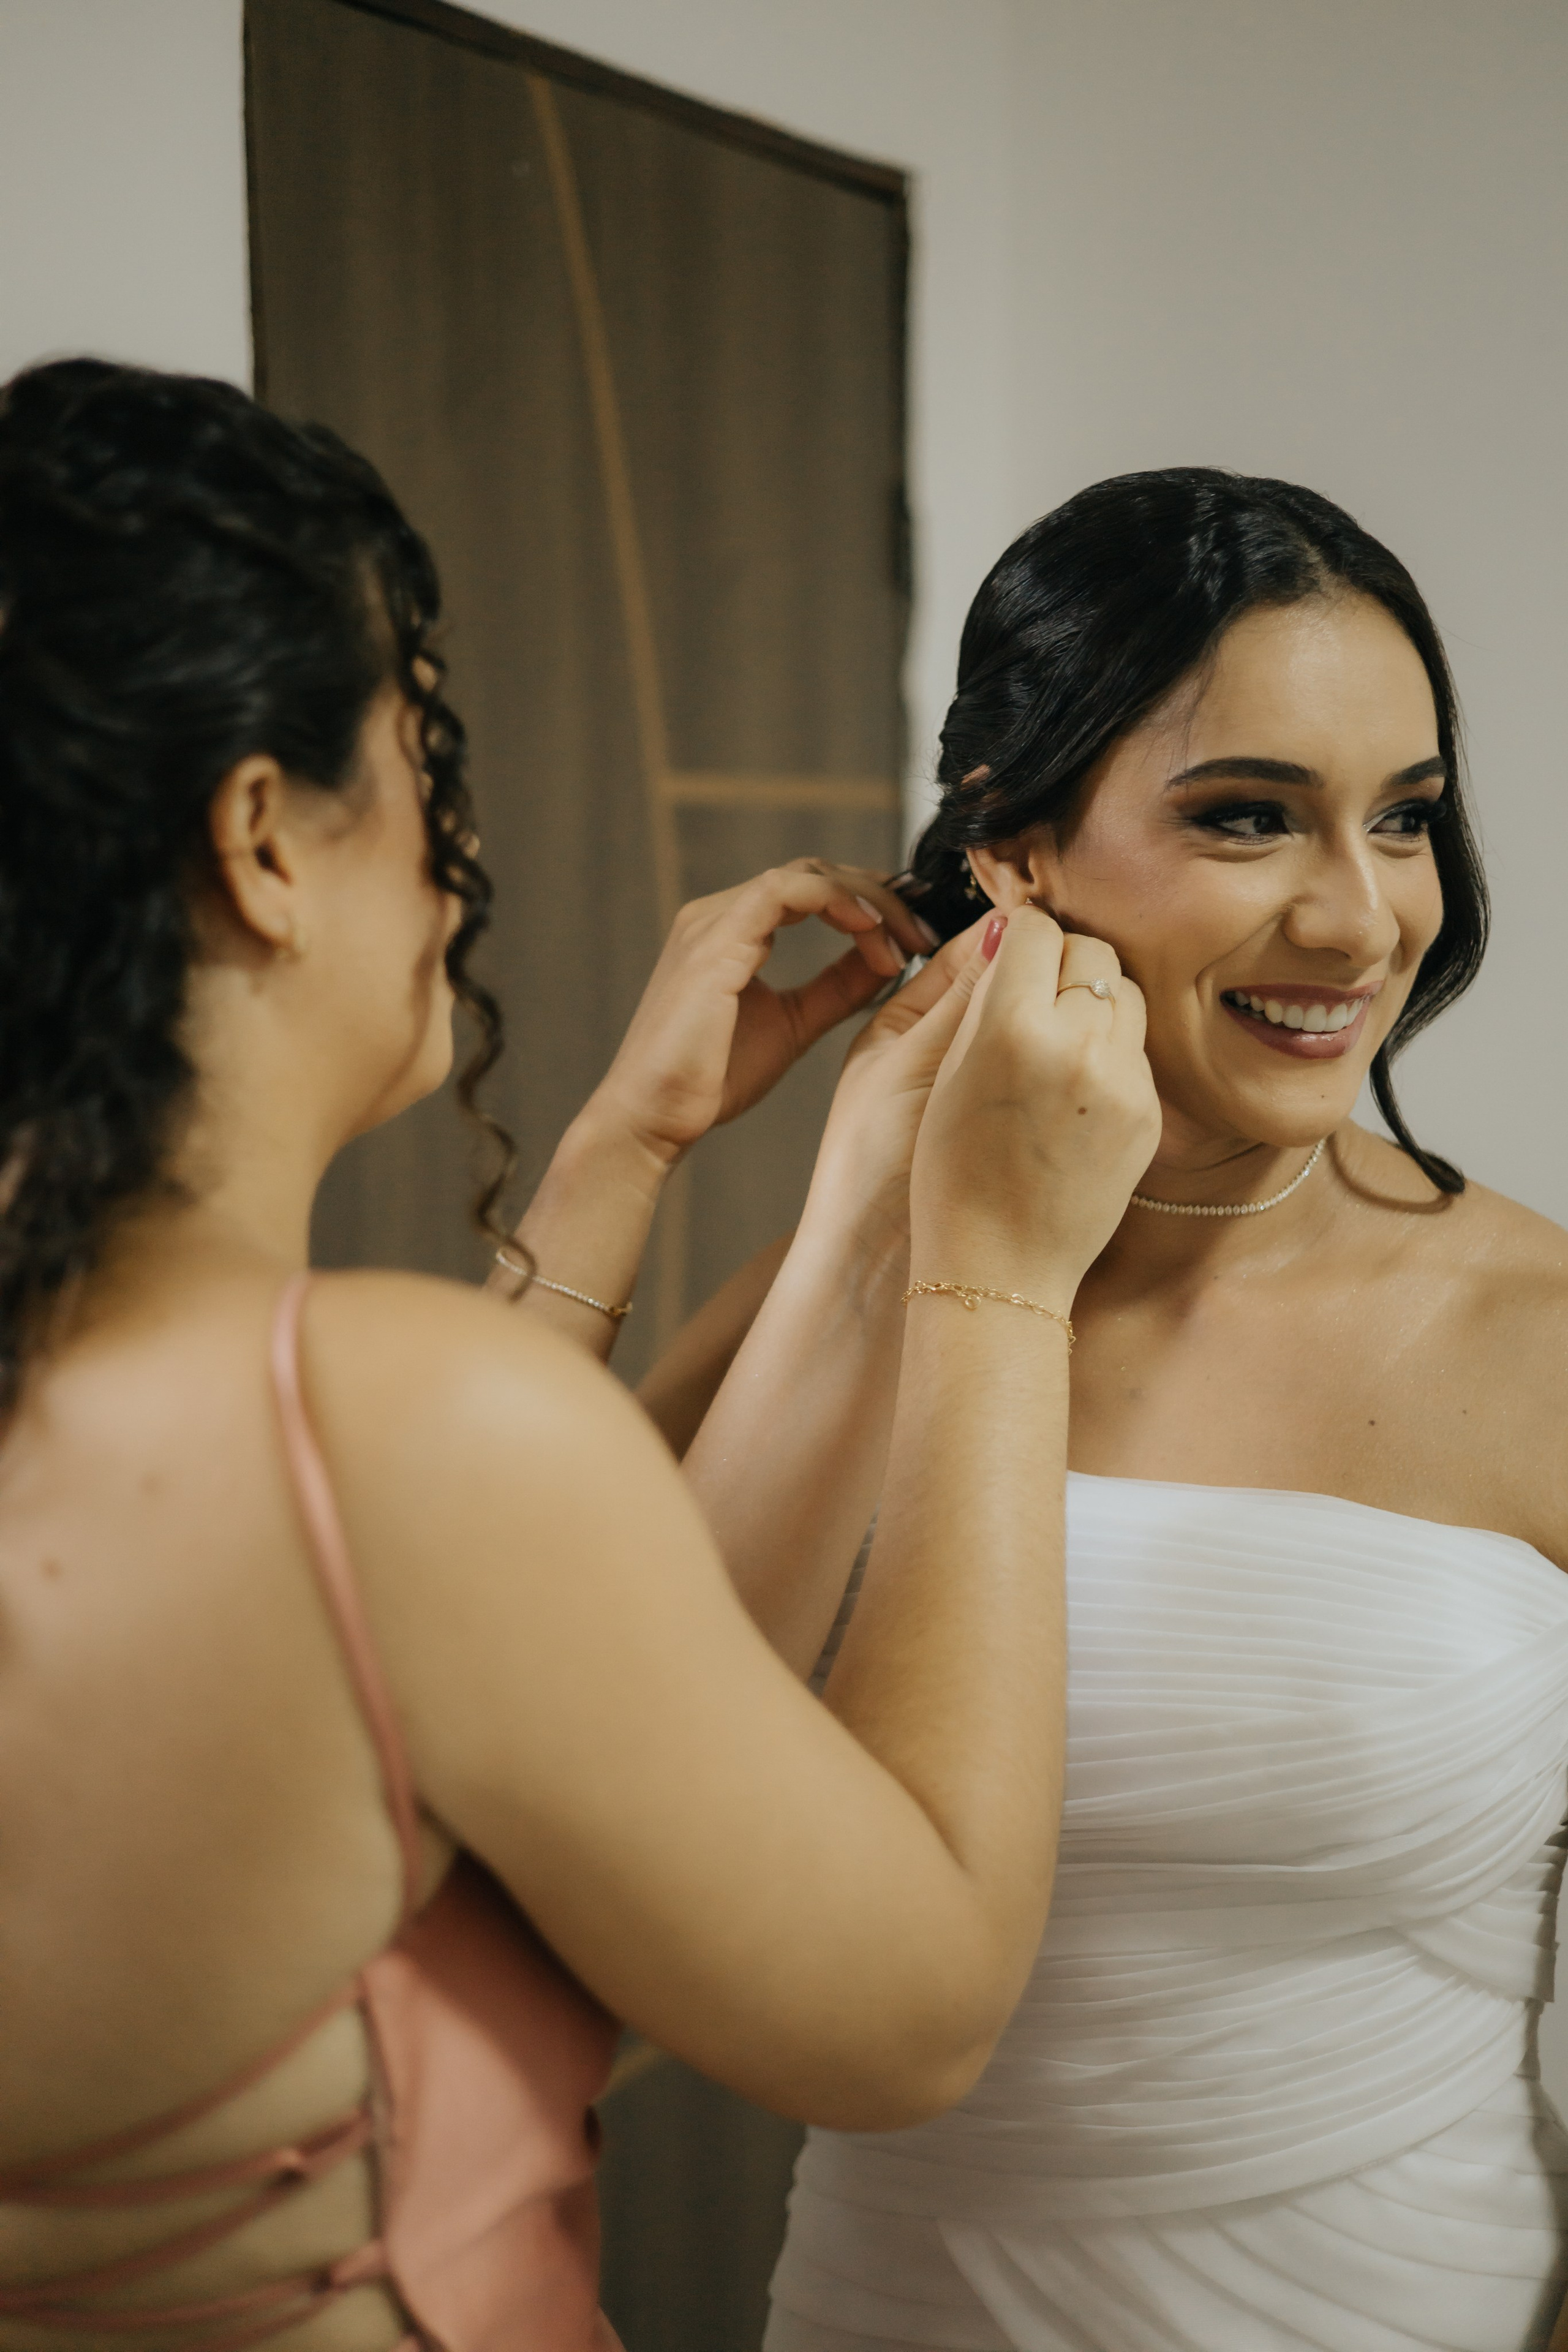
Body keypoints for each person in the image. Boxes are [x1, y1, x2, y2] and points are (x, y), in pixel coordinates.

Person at [0, 361, 1159, 2352]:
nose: (457, 864)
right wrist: (991, 1270)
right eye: (423, 758)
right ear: (267, 835)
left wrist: (629, 1158)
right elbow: (917, 2001)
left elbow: (434, 1681)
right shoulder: (411, 1445)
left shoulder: (219, 1436)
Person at [655, 472, 1568, 2352]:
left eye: (1405, 822)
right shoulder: (842, 1291)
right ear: (1013, 852)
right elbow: (550, 1799)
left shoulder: (1545, 1334)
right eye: (1248, 818)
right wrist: (658, 1165)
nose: (1358, 917)